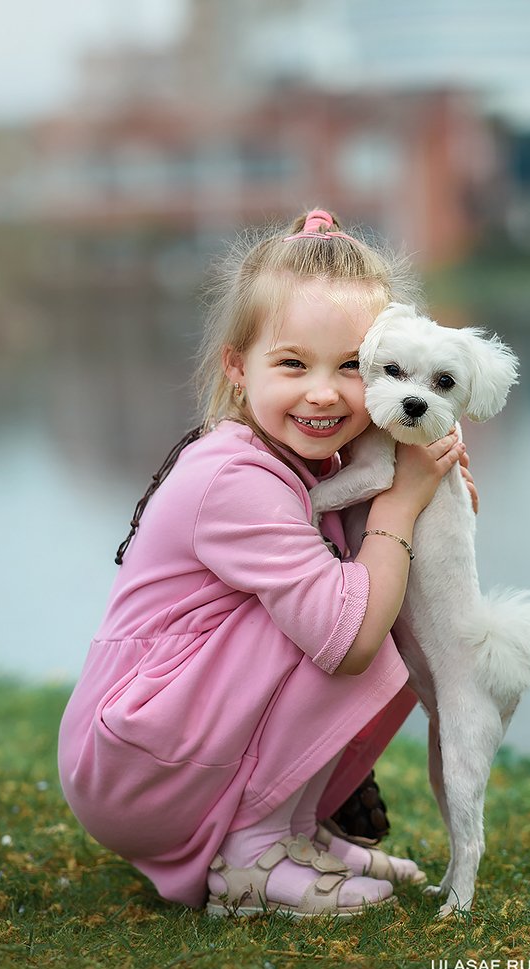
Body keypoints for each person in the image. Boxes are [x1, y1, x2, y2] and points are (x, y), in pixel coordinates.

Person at [58, 208, 465, 918]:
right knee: (352, 610)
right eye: (293, 363)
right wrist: (399, 509)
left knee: (382, 592)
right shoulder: (235, 480)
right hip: (133, 768)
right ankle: (254, 852)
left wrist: (433, 486)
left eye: (351, 366)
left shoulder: (315, 464)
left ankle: (294, 833)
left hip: (167, 750)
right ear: (238, 368)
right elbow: (350, 639)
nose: (323, 391)